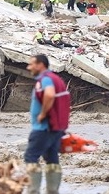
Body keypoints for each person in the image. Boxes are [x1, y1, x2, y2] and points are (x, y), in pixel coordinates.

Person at [25, 54, 70, 194]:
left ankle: (33, 191)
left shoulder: (45, 80)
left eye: (31, 64)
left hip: (44, 127)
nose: (28, 67)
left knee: (30, 157)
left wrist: (43, 113)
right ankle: (53, 191)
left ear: (40, 65)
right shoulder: (57, 79)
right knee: (51, 159)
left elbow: (49, 95)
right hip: (56, 127)